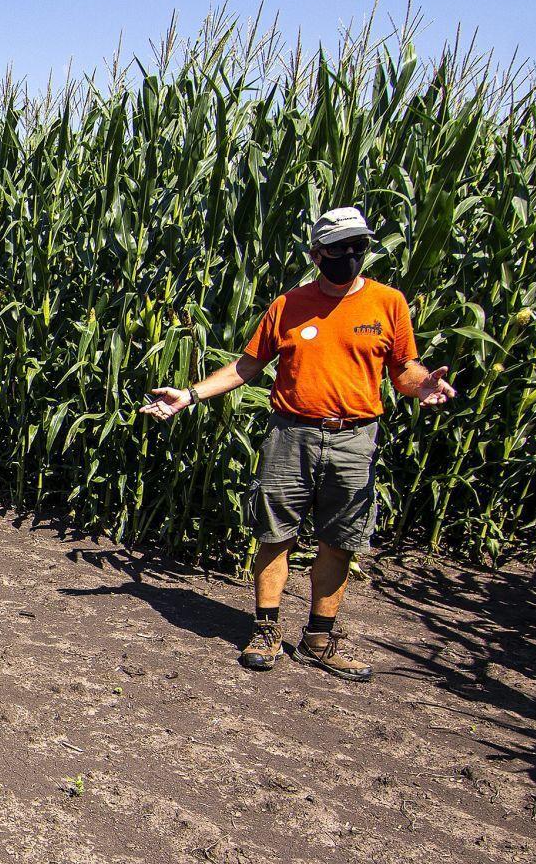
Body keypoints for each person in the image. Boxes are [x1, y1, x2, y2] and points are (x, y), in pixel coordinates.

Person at [140, 206, 456, 681]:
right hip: (292, 434)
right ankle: (265, 629)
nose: (349, 256)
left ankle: (320, 639)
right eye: (339, 248)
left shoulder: (389, 303)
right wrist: (188, 395)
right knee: (274, 532)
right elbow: (246, 367)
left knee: (340, 540)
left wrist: (422, 384)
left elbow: (404, 368)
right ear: (316, 255)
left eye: (358, 247)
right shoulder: (287, 306)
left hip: (353, 437)